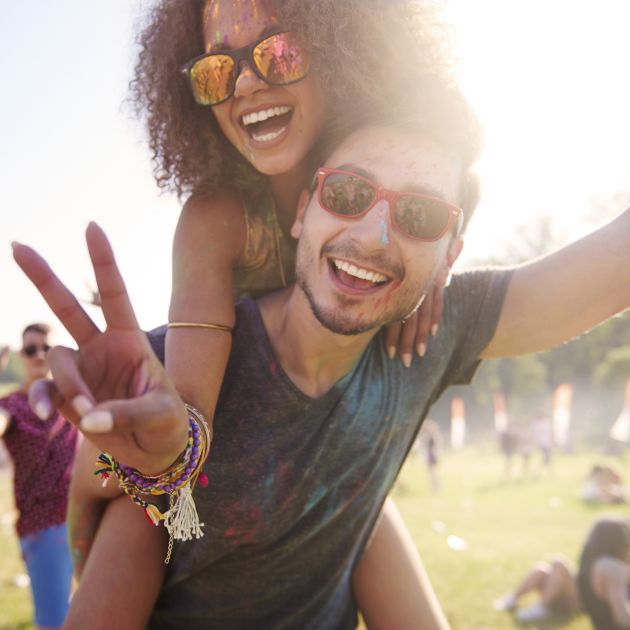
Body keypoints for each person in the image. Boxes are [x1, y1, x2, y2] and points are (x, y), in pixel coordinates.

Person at [14, 79, 630, 625]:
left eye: (419, 213)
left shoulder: (433, 336)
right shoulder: (170, 385)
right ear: (303, 209)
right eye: (348, 193)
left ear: (450, 254)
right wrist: (135, 464)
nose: (373, 235)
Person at [0, 323, 78, 630]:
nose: (39, 355)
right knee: (54, 620)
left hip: (84, 518)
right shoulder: (12, 406)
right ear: (21, 354)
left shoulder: (72, 397)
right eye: (31, 349)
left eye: (47, 348)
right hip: (43, 525)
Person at [493, 517, 630, 628]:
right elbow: (622, 618)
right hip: (577, 596)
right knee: (542, 570)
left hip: (576, 599)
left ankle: (542, 606)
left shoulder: (599, 564)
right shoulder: (609, 567)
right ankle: (515, 599)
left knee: (559, 564)